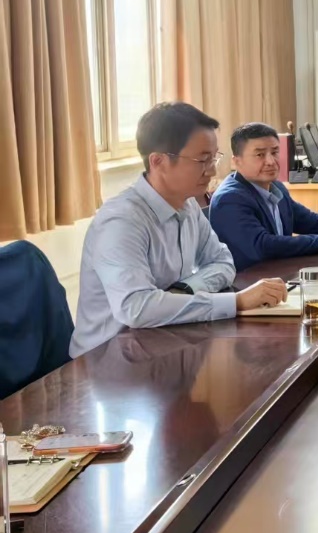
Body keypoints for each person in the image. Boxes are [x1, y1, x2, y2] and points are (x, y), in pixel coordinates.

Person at [71, 103, 286, 358]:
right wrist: (236, 302)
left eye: (214, 158)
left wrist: (184, 290)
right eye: (203, 160)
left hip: (163, 344)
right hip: (109, 360)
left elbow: (223, 262)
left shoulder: (188, 204)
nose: (213, 170)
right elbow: (136, 307)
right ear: (159, 161)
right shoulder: (121, 221)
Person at [209, 122, 318, 271]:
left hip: (278, 272)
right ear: (237, 162)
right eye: (260, 155)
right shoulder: (229, 199)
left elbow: (310, 221)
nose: (270, 161)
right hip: (248, 282)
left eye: (275, 152)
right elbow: (262, 245)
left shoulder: (276, 186)